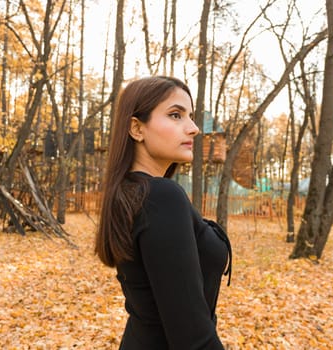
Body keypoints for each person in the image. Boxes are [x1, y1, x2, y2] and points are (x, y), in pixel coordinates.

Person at [95, 76, 232, 349]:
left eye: (190, 117)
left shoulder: (134, 194)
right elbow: (193, 340)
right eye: (175, 115)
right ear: (136, 128)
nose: (193, 128)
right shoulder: (160, 197)